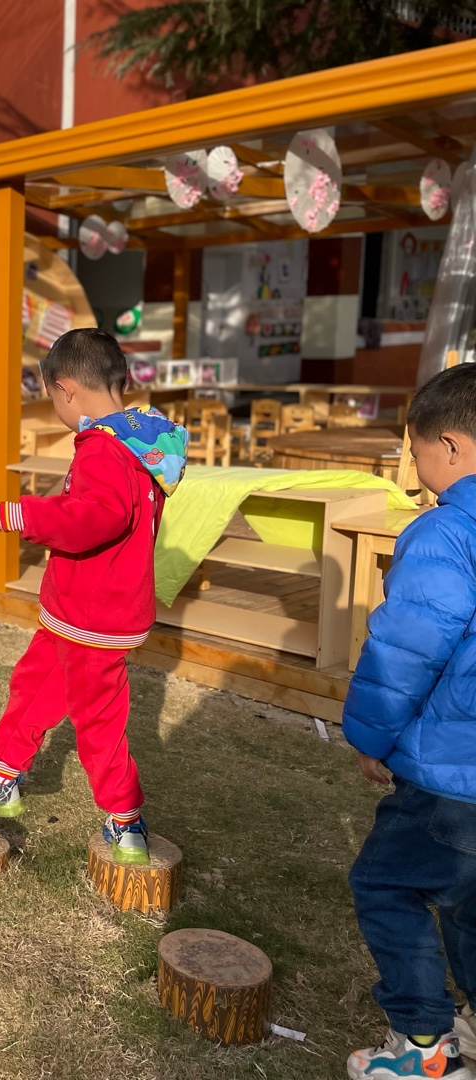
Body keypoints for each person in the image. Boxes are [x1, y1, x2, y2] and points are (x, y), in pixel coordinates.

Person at [0, 328, 188, 866]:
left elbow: (95, 517)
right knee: (33, 686)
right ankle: (3, 775)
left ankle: (125, 816)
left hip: (96, 615)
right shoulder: (140, 441)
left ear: (67, 389)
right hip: (77, 610)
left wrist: (26, 513)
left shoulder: (103, 448)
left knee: (97, 721)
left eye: (52, 396)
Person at [342, 363, 476, 1080]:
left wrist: (371, 737)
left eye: (417, 450)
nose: (417, 467)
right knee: (469, 900)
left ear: (449, 446)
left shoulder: (446, 532)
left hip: (452, 770)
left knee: (387, 884)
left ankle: (424, 1046)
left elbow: (407, 650)